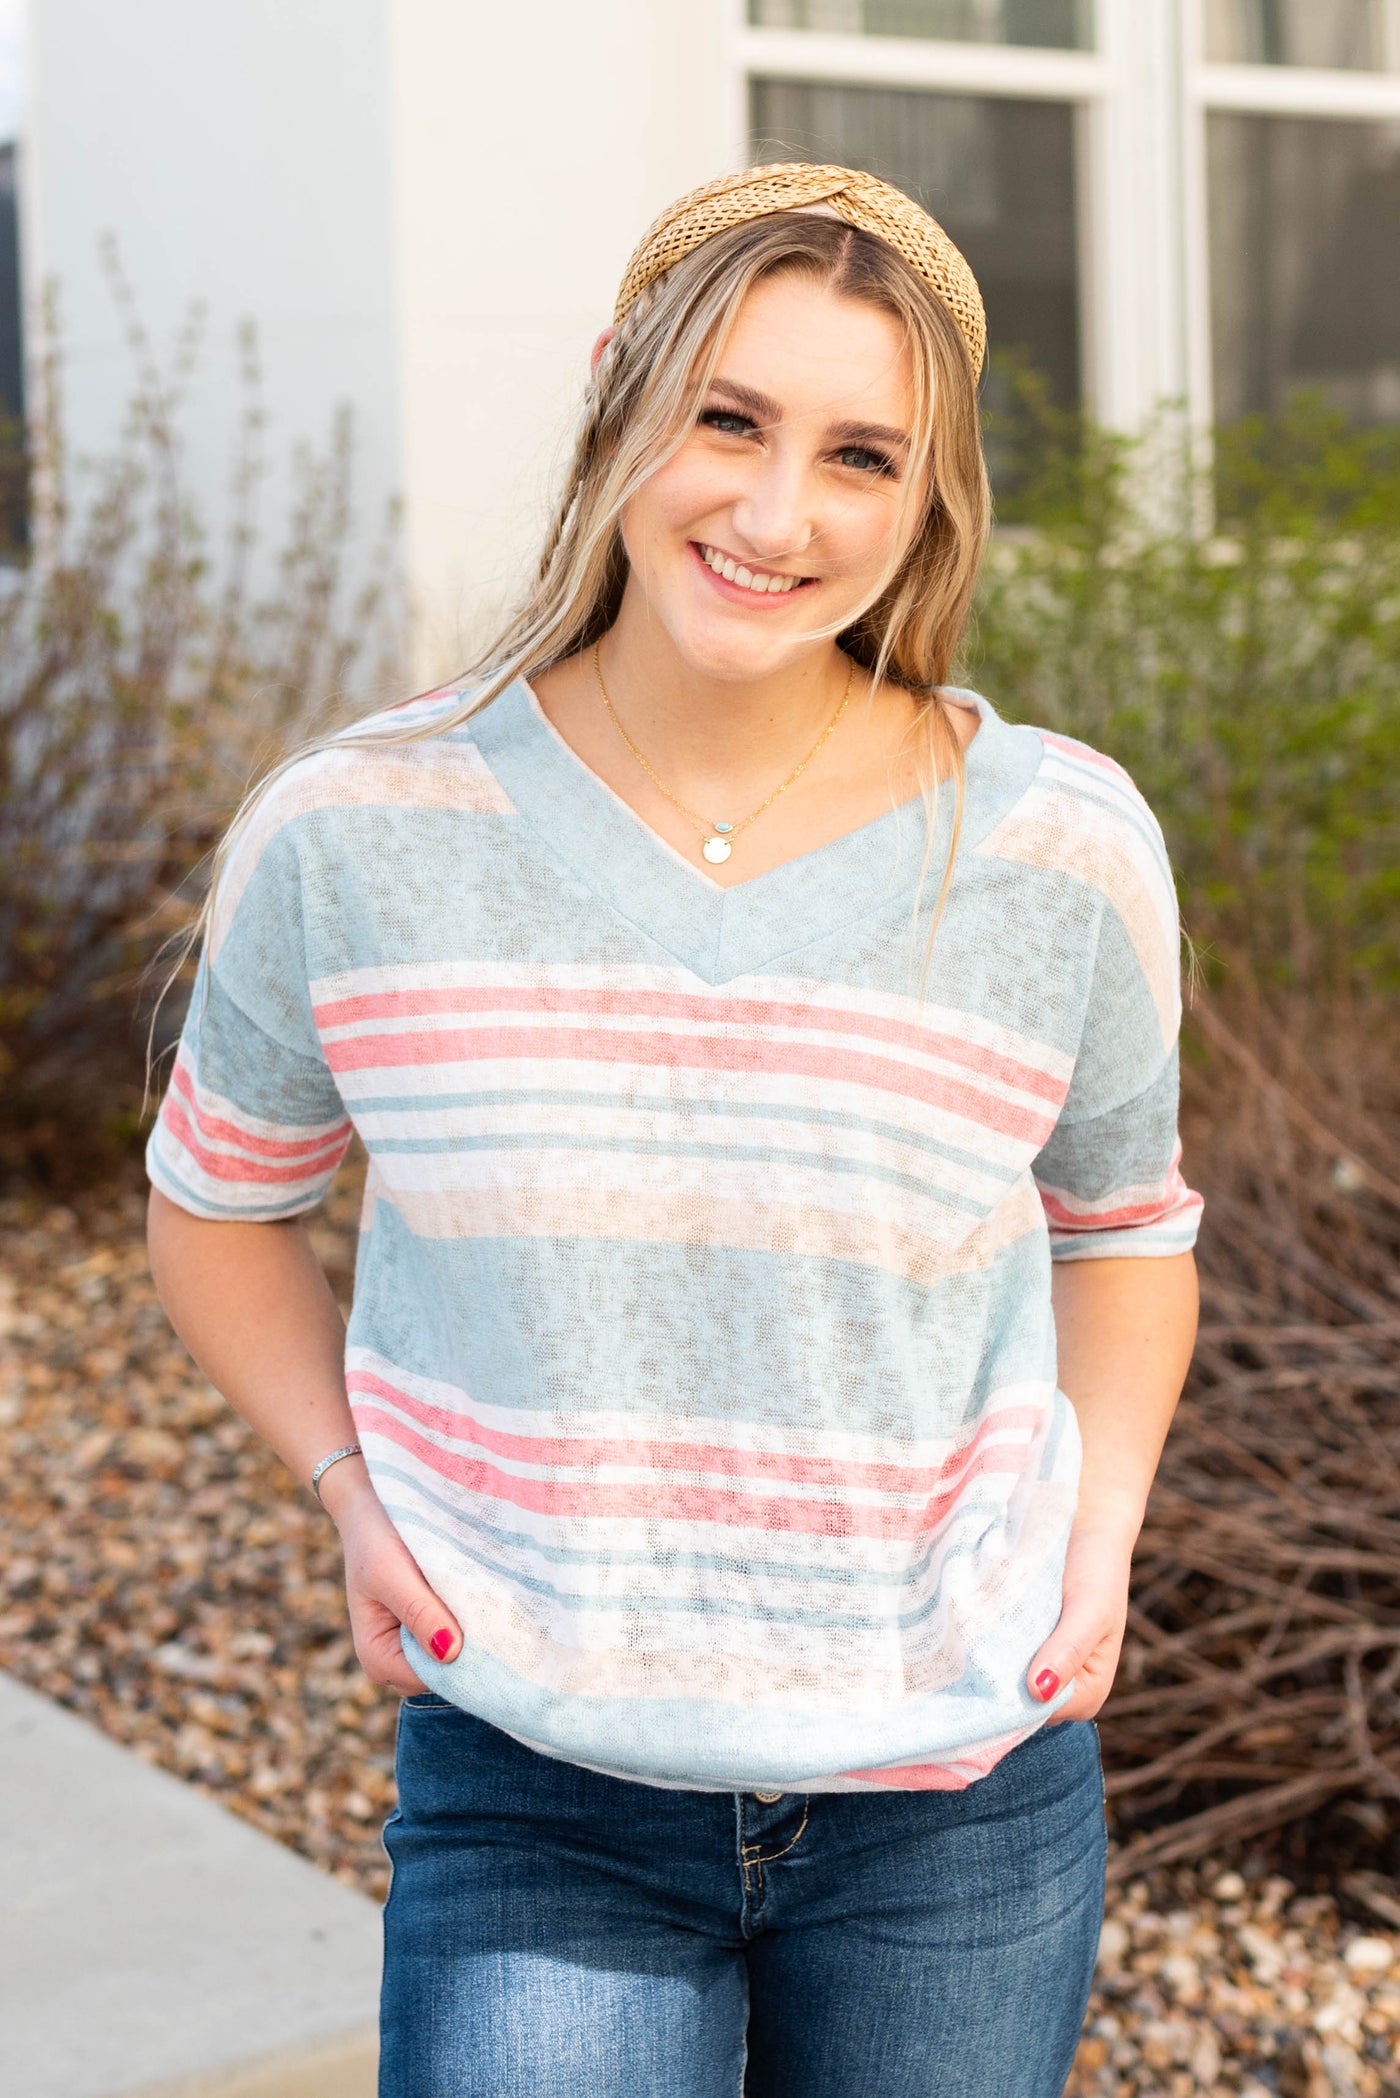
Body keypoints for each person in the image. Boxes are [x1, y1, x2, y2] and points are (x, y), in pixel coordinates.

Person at [146, 163, 1201, 2098]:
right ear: (620, 393)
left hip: (960, 1797)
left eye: (861, 456)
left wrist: (1103, 1525)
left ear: (930, 498)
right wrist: (346, 1489)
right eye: (729, 417)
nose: (778, 513)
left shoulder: (1057, 845)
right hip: (541, 1783)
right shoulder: (359, 831)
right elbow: (218, 1202)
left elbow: (1126, 1222)